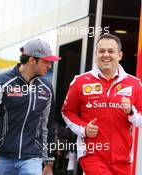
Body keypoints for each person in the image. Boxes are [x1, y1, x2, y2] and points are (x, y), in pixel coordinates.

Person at [0, 39, 61, 175]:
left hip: (32, 158)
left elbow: (48, 126)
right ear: (32, 60)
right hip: (1, 157)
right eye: (46, 61)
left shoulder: (47, 88)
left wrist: (48, 161)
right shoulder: (1, 82)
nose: (50, 66)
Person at [61, 34, 142, 175]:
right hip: (92, 155)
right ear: (96, 54)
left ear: (120, 55)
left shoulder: (134, 83)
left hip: (122, 159)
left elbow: (140, 119)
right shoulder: (80, 81)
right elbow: (67, 112)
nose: (106, 55)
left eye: (110, 51)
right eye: (101, 51)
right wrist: (84, 129)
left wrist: (131, 111)